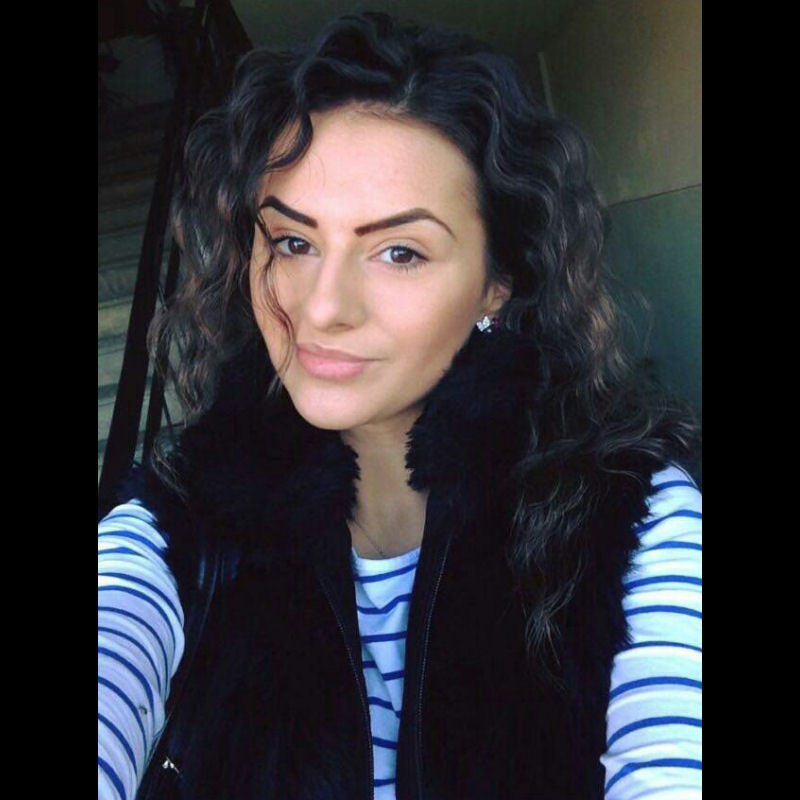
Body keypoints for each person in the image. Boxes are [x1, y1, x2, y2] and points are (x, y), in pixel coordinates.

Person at [98, 11, 702, 800]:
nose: (322, 308)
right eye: (293, 242)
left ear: (498, 282)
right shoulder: (181, 525)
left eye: (399, 252)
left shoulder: (628, 517)